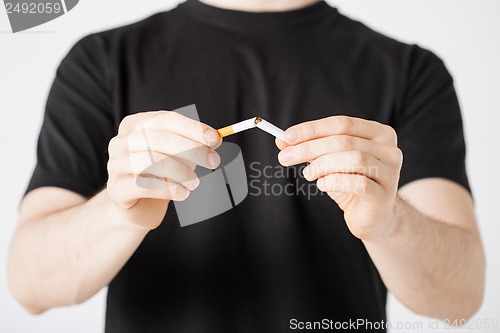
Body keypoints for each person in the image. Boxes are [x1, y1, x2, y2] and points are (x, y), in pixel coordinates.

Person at [8, 0, 485, 332]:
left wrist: (389, 221)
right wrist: (118, 212)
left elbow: (460, 300)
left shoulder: (409, 71)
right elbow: (30, 285)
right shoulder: (102, 62)